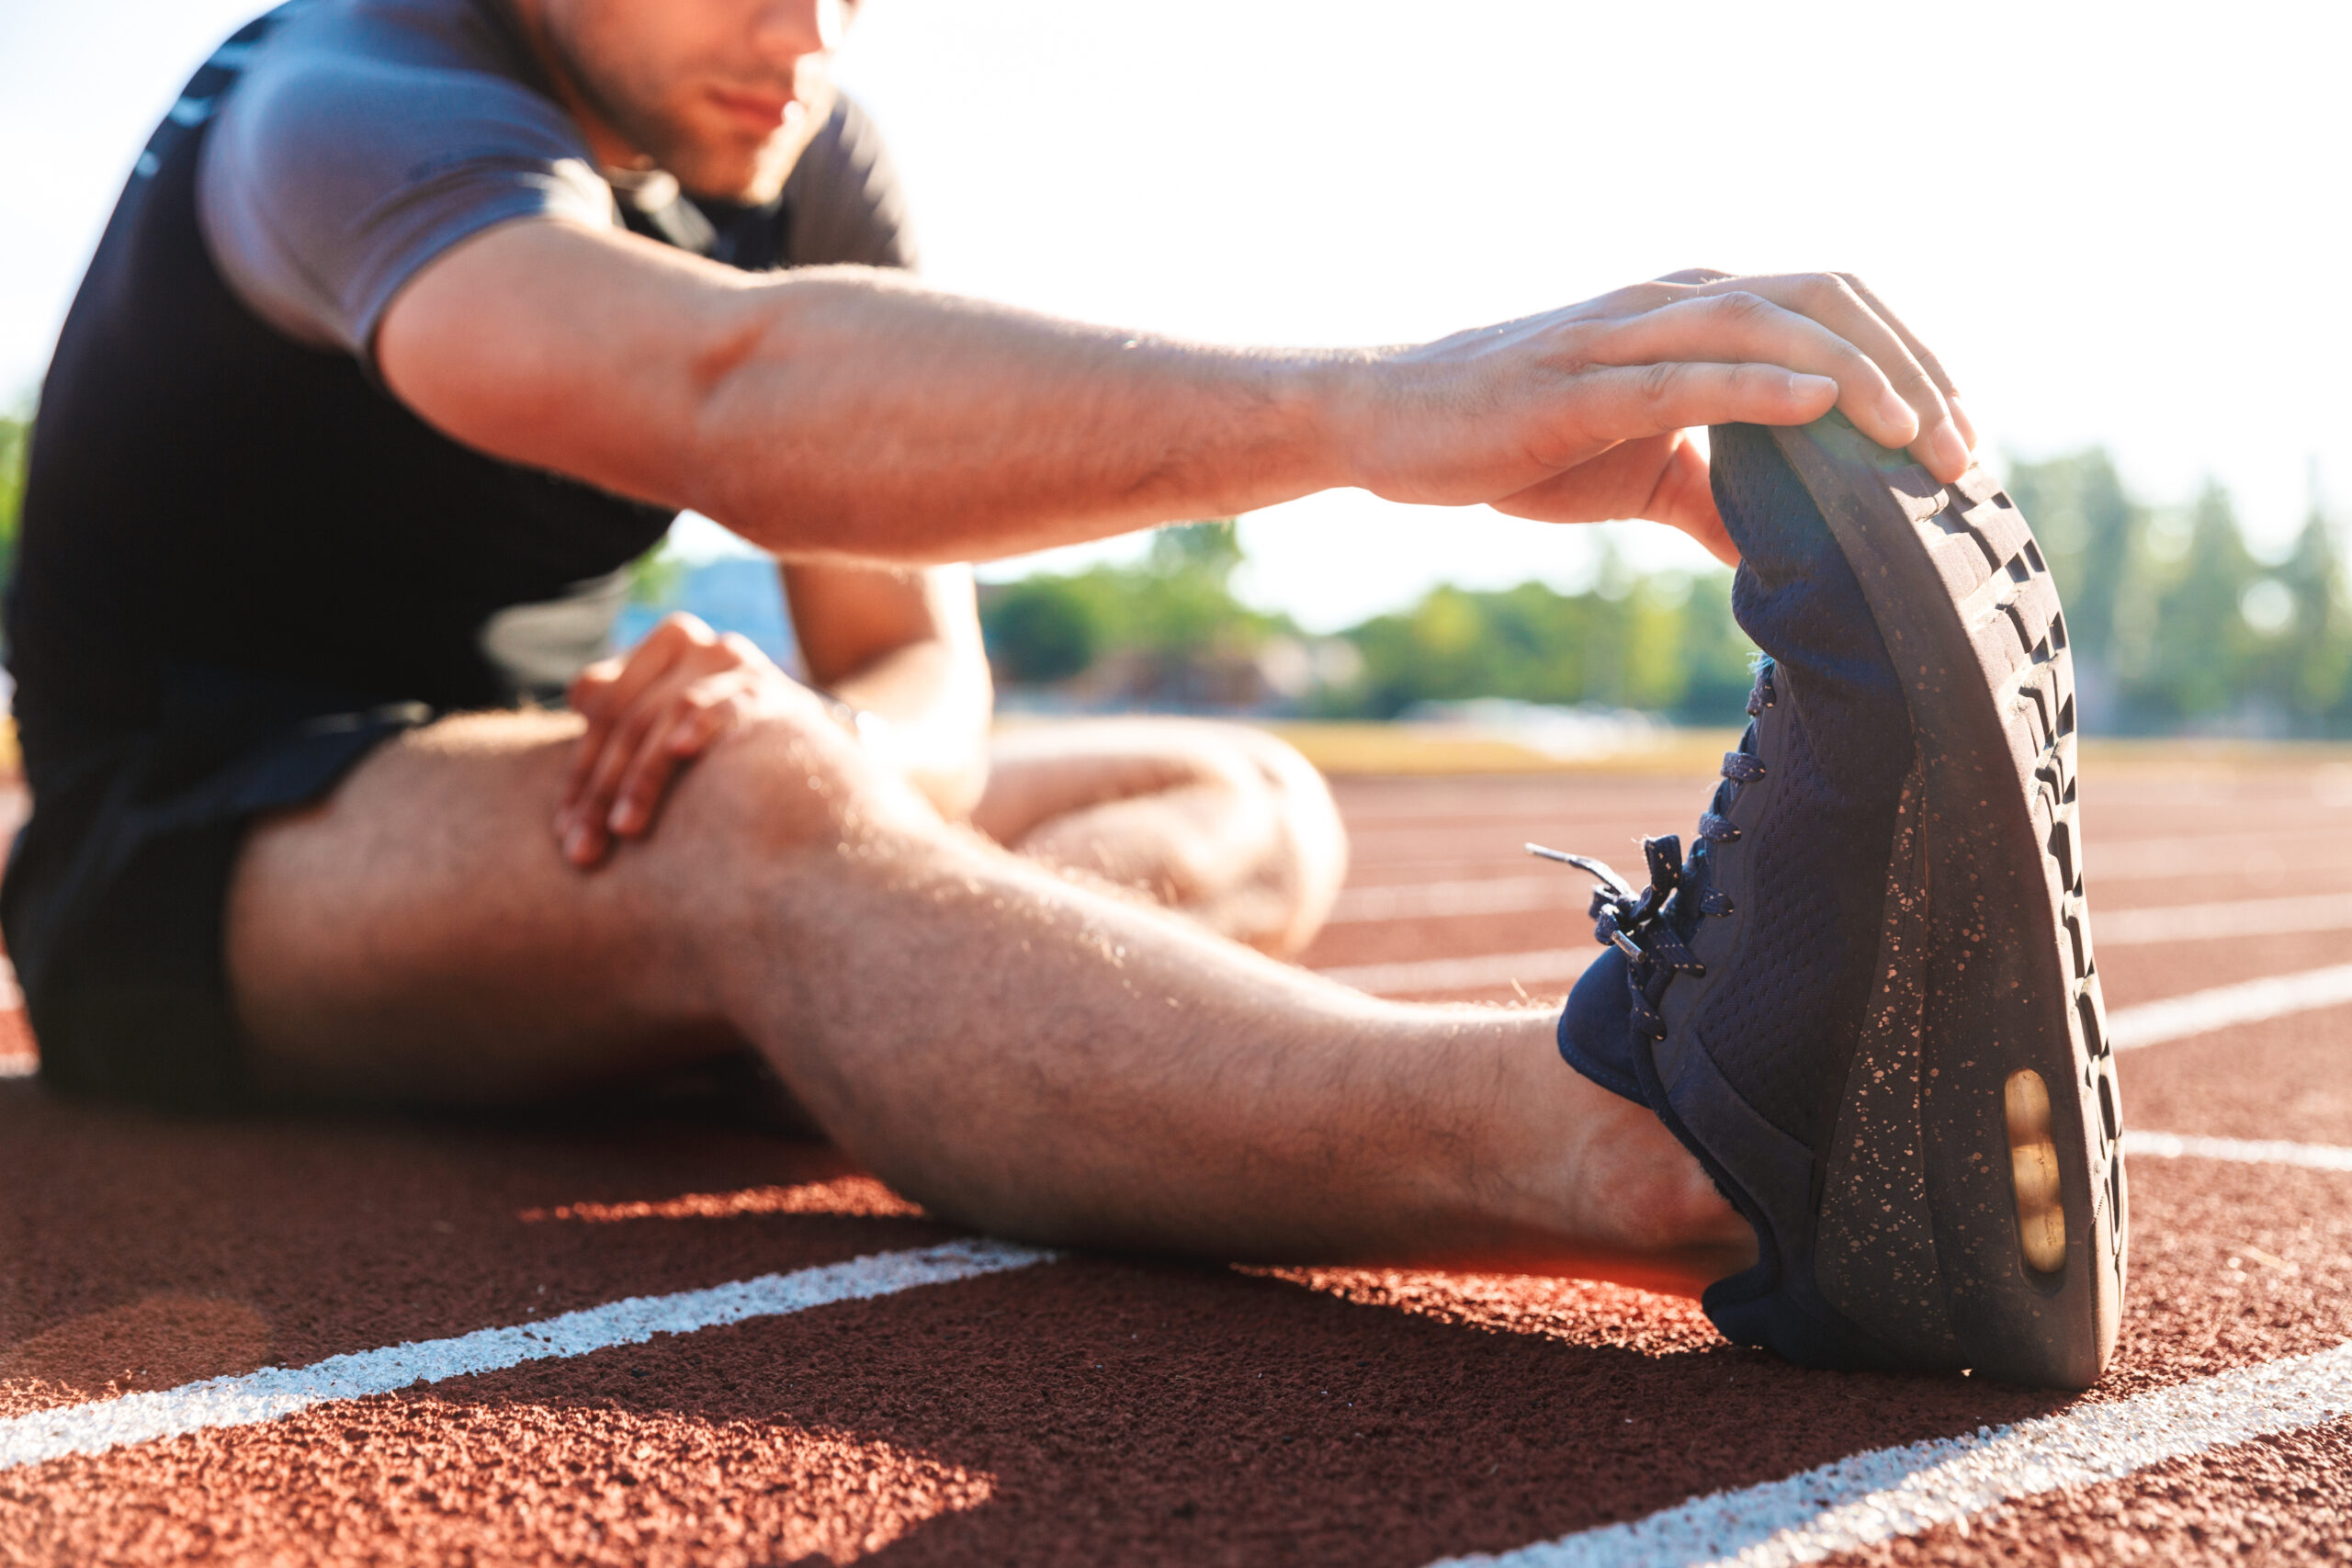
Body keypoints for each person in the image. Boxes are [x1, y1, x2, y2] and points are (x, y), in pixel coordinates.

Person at [8, 0, 1994, 1323]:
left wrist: (826, 741)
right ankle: (1636, 1143)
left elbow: (910, 670)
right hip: (182, 865)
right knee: (745, 816)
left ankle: (824, 987)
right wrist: (1382, 408)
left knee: (1237, 799)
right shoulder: (345, 113)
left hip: (524, 794)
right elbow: (710, 382)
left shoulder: (791, 146)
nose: (808, 24)